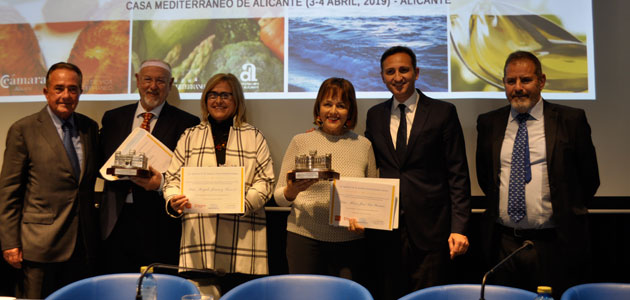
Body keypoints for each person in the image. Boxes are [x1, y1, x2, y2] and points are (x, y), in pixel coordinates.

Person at [476, 50, 599, 299]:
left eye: (526, 80)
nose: (518, 88)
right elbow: (486, 178)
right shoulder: (489, 122)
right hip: (504, 245)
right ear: (504, 84)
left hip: (555, 244)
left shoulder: (571, 120)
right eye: (511, 81)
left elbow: (589, 179)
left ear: (541, 81)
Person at [364, 46, 471, 300]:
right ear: (382, 76)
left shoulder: (443, 112)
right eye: (390, 72)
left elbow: (458, 174)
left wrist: (460, 227)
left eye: (404, 70)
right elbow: (368, 165)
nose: (397, 77)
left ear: (416, 72)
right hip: (386, 233)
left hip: (432, 232)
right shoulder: (374, 116)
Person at [163, 73, 275, 298]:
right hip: (199, 236)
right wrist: (173, 199)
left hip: (244, 236)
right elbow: (172, 179)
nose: (218, 101)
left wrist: (243, 203)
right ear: (205, 100)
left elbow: (266, 180)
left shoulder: (254, 136)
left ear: (237, 101)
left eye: (225, 95)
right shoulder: (190, 136)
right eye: (212, 95)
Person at [0, 62, 100, 298]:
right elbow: (9, 191)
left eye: (73, 89)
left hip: (82, 246)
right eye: (59, 88)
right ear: (46, 92)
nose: (66, 95)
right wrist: (9, 243)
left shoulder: (89, 127)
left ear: (80, 93)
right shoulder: (23, 130)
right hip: (38, 247)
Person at [99, 59, 200, 274]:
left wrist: (161, 183)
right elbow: (100, 161)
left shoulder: (187, 123)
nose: (153, 86)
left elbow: (190, 174)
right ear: (137, 81)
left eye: (160, 81)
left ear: (170, 84)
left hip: (159, 224)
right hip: (115, 220)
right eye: (147, 79)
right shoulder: (113, 118)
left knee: (157, 289)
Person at [274, 77, 377, 282]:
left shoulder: (364, 145)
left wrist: (366, 219)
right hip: (303, 239)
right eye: (327, 104)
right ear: (318, 108)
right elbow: (278, 197)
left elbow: (373, 198)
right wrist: (291, 191)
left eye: (341, 105)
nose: (333, 111)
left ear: (350, 111)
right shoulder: (300, 141)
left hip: (350, 242)